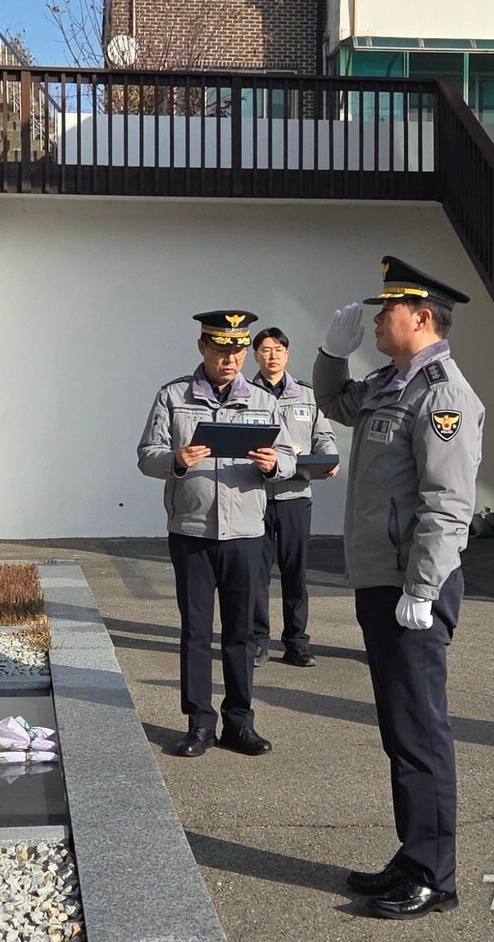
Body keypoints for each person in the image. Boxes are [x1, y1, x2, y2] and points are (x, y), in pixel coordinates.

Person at [312, 257, 484, 920]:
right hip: (381, 581)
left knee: (419, 732)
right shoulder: (391, 382)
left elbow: (447, 505)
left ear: (423, 316)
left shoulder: (442, 393)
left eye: (389, 310)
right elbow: (334, 401)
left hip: (414, 587)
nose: (378, 318)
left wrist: (422, 585)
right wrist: (332, 353)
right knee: (399, 730)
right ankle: (413, 855)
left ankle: (434, 875)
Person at [137, 310, 296, 758]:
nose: (231, 358)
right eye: (222, 349)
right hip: (192, 531)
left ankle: (240, 724)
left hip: (246, 532)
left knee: (242, 633)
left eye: (238, 350)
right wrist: (177, 459)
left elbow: (287, 454)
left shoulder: (263, 401)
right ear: (202, 347)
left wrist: (275, 465)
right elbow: (147, 455)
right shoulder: (173, 396)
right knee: (195, 631)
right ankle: (199, 724)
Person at [248, 327, 339, 668]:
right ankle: (257, 641)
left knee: (294, 572)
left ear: (287, 354)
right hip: (253, 496)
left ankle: (296, 642)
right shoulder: (243, 394)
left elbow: (324, 436)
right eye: (265, 350)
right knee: (256, 573)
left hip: (295, 495)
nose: (272, 356)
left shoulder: (306, 395)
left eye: (279, 350)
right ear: (255, 355)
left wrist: (330, 459)